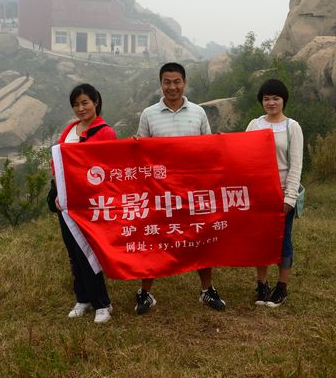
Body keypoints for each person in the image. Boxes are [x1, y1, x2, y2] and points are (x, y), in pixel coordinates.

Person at [133, 62, 226, 314]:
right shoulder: (149, 114)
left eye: (177, 82)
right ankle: (145, 294)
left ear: (184, 83)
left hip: (192, 190)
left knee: (200, 238)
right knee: (153, 239)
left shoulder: (197, 113)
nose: (172, 87)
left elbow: (209, 149)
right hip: (160, 192)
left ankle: (207, 290)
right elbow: (140, 153)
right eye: (167, 82)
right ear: (161, 83)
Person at [54, 83, 118, 323]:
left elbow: (107, 168)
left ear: (96, 102)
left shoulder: (105, 132)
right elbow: (57, 163)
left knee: (89, 252)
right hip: (66, 203)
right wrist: (59, 193)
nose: (81, 108)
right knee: (73, 252)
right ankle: (83, 299)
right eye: (76, 104)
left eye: (85, 103)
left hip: (89, 203)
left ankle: (103, 303)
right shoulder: (70, 129)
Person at [245, 79, 303, 307]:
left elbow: (296, 164)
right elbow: (244, 156)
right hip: (259, 194)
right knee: (261, 240)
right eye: (266, 98)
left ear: (283, 101)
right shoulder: (254, 125)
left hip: (282, 193)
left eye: (275, 98)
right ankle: (262, 285)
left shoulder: (292, 127)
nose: (271, 103)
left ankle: (282, 287)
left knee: (283, 241)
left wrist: (290, 197)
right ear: (261, 101)